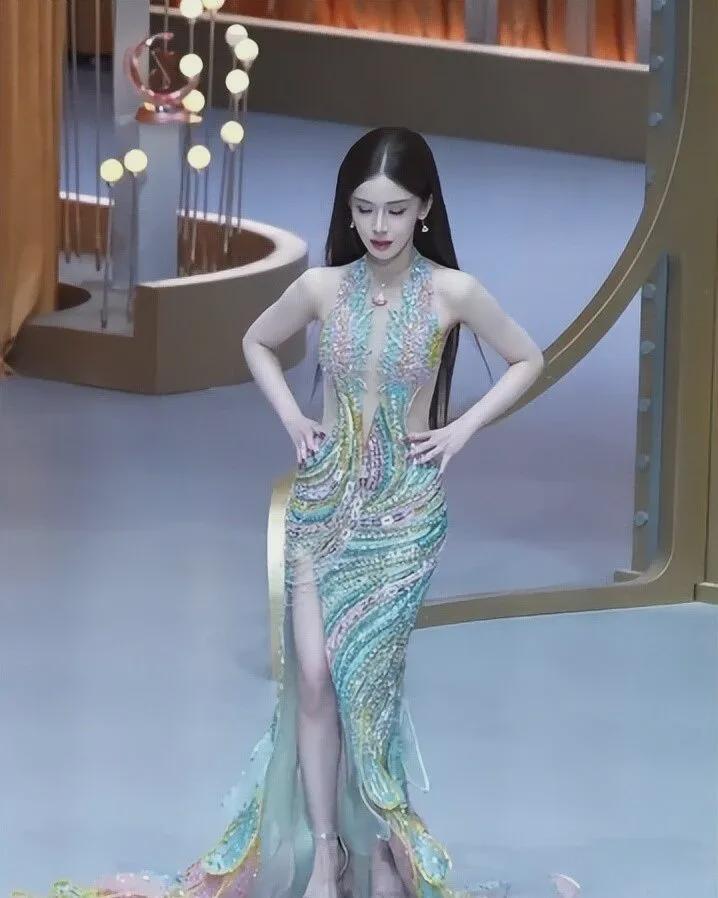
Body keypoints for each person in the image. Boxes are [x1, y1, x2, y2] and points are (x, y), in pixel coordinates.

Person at [11, 127, 581, 898]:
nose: (379, 226)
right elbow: (256, 340)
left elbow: (528, 357)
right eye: (364, 209)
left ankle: (387, 849)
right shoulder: (323, 288)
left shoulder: (454, 293)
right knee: (312, 679)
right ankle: (327, 854)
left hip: (404, 515)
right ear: (347, 210)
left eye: (396, 210)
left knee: (366, 691)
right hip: (321, 504)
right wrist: (291, 417)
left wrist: (462, 428)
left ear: (425, 209)